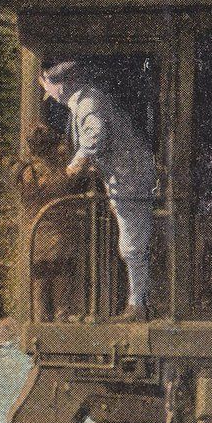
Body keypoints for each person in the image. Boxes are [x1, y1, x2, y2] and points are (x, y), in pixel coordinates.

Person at [40, 61, 157, 318]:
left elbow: (95, 138)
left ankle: (138, 305)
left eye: (46, 85)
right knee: (129, 242)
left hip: (130, 177)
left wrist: (73, 167)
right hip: (122, 177)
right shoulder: (82, 103)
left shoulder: (88, 103)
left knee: (131, 244)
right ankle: (137, 302)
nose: (46, 92)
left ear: (61, 84)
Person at [0, 122, 87, 320]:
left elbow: (1, 159)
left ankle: (40, 332)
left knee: (39, 295)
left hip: (37, 244)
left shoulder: (25, 174)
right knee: (62, 299)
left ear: (32, 149)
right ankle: (62, 327)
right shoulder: (66, 174)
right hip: (62, 244)